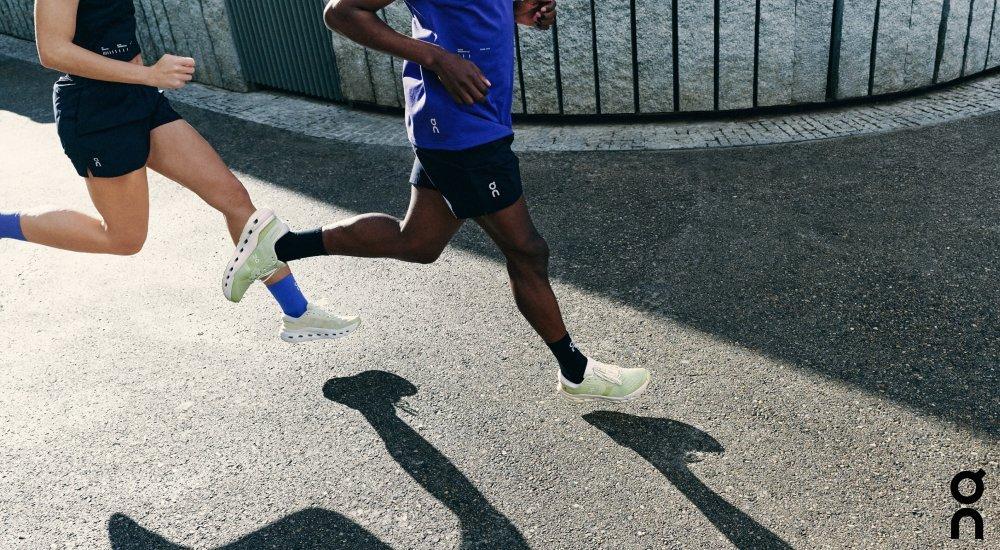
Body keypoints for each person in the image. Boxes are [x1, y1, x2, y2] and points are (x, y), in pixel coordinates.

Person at [268, 0, 651, 401]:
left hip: (472, 120)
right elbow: (341, 12)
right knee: (526, 250)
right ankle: (576, 370)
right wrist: (437, 58)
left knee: (417, 243)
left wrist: (514, 11)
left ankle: (280, 245)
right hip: (460, 130)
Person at [0, 0, 359, 343]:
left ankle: (298, 313)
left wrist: (144, 79)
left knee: (233, 197)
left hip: (139, 96)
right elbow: (53, 50)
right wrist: (148, 73)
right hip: (97, 112)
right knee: (124, 239)